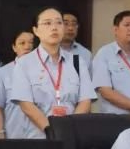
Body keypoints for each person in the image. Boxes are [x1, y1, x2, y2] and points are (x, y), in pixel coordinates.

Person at [11, 7, 95, 138]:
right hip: (38, 137)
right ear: (36, 30)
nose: (54, 27)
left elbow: (85, 100)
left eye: (59, 23)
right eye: (47, 23)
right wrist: (52, 131)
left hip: (72, 136)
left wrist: (70, 130)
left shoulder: (77, 62)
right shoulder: (24, 63)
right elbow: (26, 105)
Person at [92, 10, 130, 116]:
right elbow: (106, 92)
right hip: (115, 118)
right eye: (127, 25)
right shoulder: (104, 54)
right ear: (115, 29)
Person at [0, 30, 35, 139]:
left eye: (31, 43)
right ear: (14, 47)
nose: (27, 47)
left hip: (40, 134)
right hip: (13, 134)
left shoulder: (44, 71)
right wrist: (0, 134)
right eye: (22, 43)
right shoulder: (3, 73)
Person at [60, 10, 93, 81]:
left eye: (74, 24)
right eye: (66, 24)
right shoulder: (48, 51)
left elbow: (89, 82)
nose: (70, 28)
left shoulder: (85, 54)